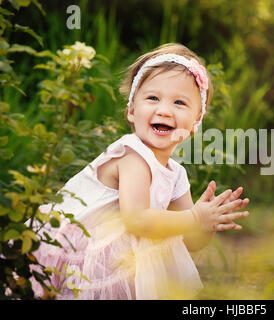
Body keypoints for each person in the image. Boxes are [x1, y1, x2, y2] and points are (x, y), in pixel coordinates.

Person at [30, 43, 250, 300]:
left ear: (195, 122)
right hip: (92, 260)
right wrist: (194, 217)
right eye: (153, 98)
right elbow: (136, 219)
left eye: (179, 102)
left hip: (127, 264)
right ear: (132, 111)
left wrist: (208, 221)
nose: (164, 110)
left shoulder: (176, 173)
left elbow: (190, 242)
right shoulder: (132, 156)